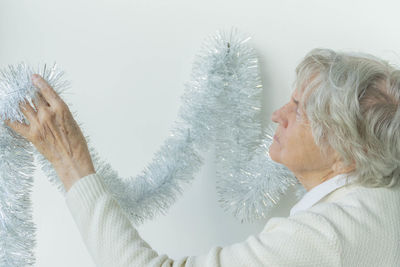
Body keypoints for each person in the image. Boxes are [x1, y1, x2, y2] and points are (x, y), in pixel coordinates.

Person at [5, 48, 400, 266]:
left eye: (299, 109)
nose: (278, 115)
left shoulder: (323, 239)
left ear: (349, 152)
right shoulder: (384, 197)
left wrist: (70, 159)